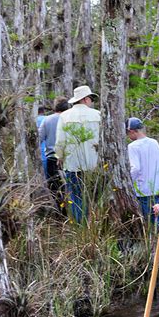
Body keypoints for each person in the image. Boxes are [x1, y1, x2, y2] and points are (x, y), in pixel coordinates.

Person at [55, 85, 101, 223]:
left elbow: (60, 141)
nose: (91, 101)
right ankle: (94, 225)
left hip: (73, 164)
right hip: (95, 164)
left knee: (76, 197)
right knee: (95, 197)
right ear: (85, 99)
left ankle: (81, 226)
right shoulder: (97, 115)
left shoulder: (64, 116)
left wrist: (59, 157)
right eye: (91, 99)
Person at [126, 117, 159, 222]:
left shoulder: (132, 146)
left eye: (127, 133)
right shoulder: (153, 142)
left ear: (131, 131)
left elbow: (135, 168)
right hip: (158, 188)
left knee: (151, 220)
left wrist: (128, 182)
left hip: (143, 190)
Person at [39, 96, 69, 210]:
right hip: (68, 158)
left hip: (52, 158)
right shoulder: (69, 118)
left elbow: (39, 138)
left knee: (55, 188)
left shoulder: (47, 120)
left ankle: (59, 212)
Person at [36, 106, 48, 177]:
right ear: (43, 111)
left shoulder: (35, 120)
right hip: (48, 150)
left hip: (38, 150)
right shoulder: (47, 119)